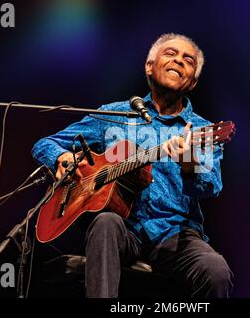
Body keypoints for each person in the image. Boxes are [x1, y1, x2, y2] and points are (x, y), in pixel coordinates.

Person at [32, 33, 234, 298]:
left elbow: (211, 187)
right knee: (105, 222)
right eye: (170, 54)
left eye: (188, 60)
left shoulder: (200, 130)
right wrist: (60, 157)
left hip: (174, 234)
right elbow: (44, 144)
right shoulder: (114, 114)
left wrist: (187, 162)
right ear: (149, 66)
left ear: (193, 81)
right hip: (122, 230)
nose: (179, 61)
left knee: (216, 271)